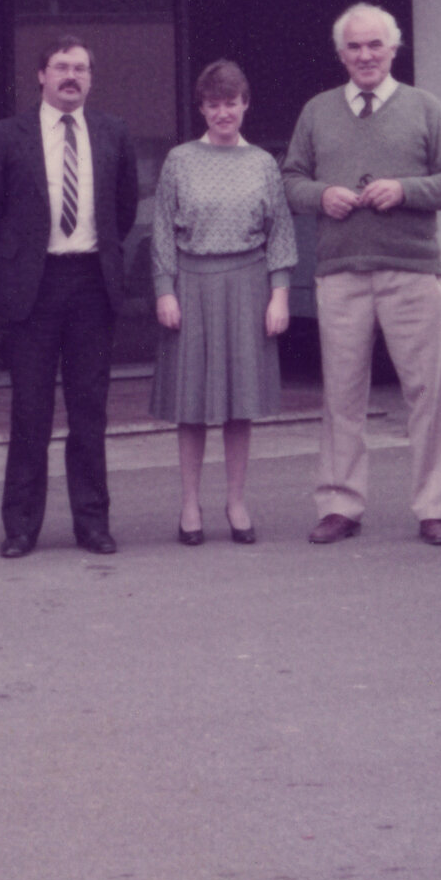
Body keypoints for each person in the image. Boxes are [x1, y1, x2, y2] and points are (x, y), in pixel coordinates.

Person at [281, 5, 441, 548]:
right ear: (341, 54)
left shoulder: (425, 108)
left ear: (393, 48)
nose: (365, 55)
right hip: (341, 273)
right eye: (355, 47)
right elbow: (290, 181)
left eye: (375, 45)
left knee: (428, 394)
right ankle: (340, 505)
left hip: (412, 270)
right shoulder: (317, 111)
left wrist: (405, 190)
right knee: (341, 395)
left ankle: (435, 508)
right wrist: (322, 196)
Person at [0, 37, 139, 558]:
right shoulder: (5, 135)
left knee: (89, 410)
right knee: (30, 411)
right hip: (34, 286)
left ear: (90, 77)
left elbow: (123, 210)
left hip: (91, 283)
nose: (71, 76)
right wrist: (21, 257)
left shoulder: (113, 131)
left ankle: (93, 523)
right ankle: (21, 527)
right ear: (41, 75)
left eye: (80, 68)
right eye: (61, 66)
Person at [150, 60, 294, 545]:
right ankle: (190, 504)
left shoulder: (263, 163)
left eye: (230, 103)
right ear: (202, 109)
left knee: (239, 403)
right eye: (213, 105)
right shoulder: (180, 160)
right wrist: (165, 290)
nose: (222, 113)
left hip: (248, 285)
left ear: (244, 104)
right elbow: (162, 229)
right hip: (191, 283)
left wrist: (279, 296)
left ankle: (236, 501)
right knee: (191, 404)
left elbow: (280, 232)